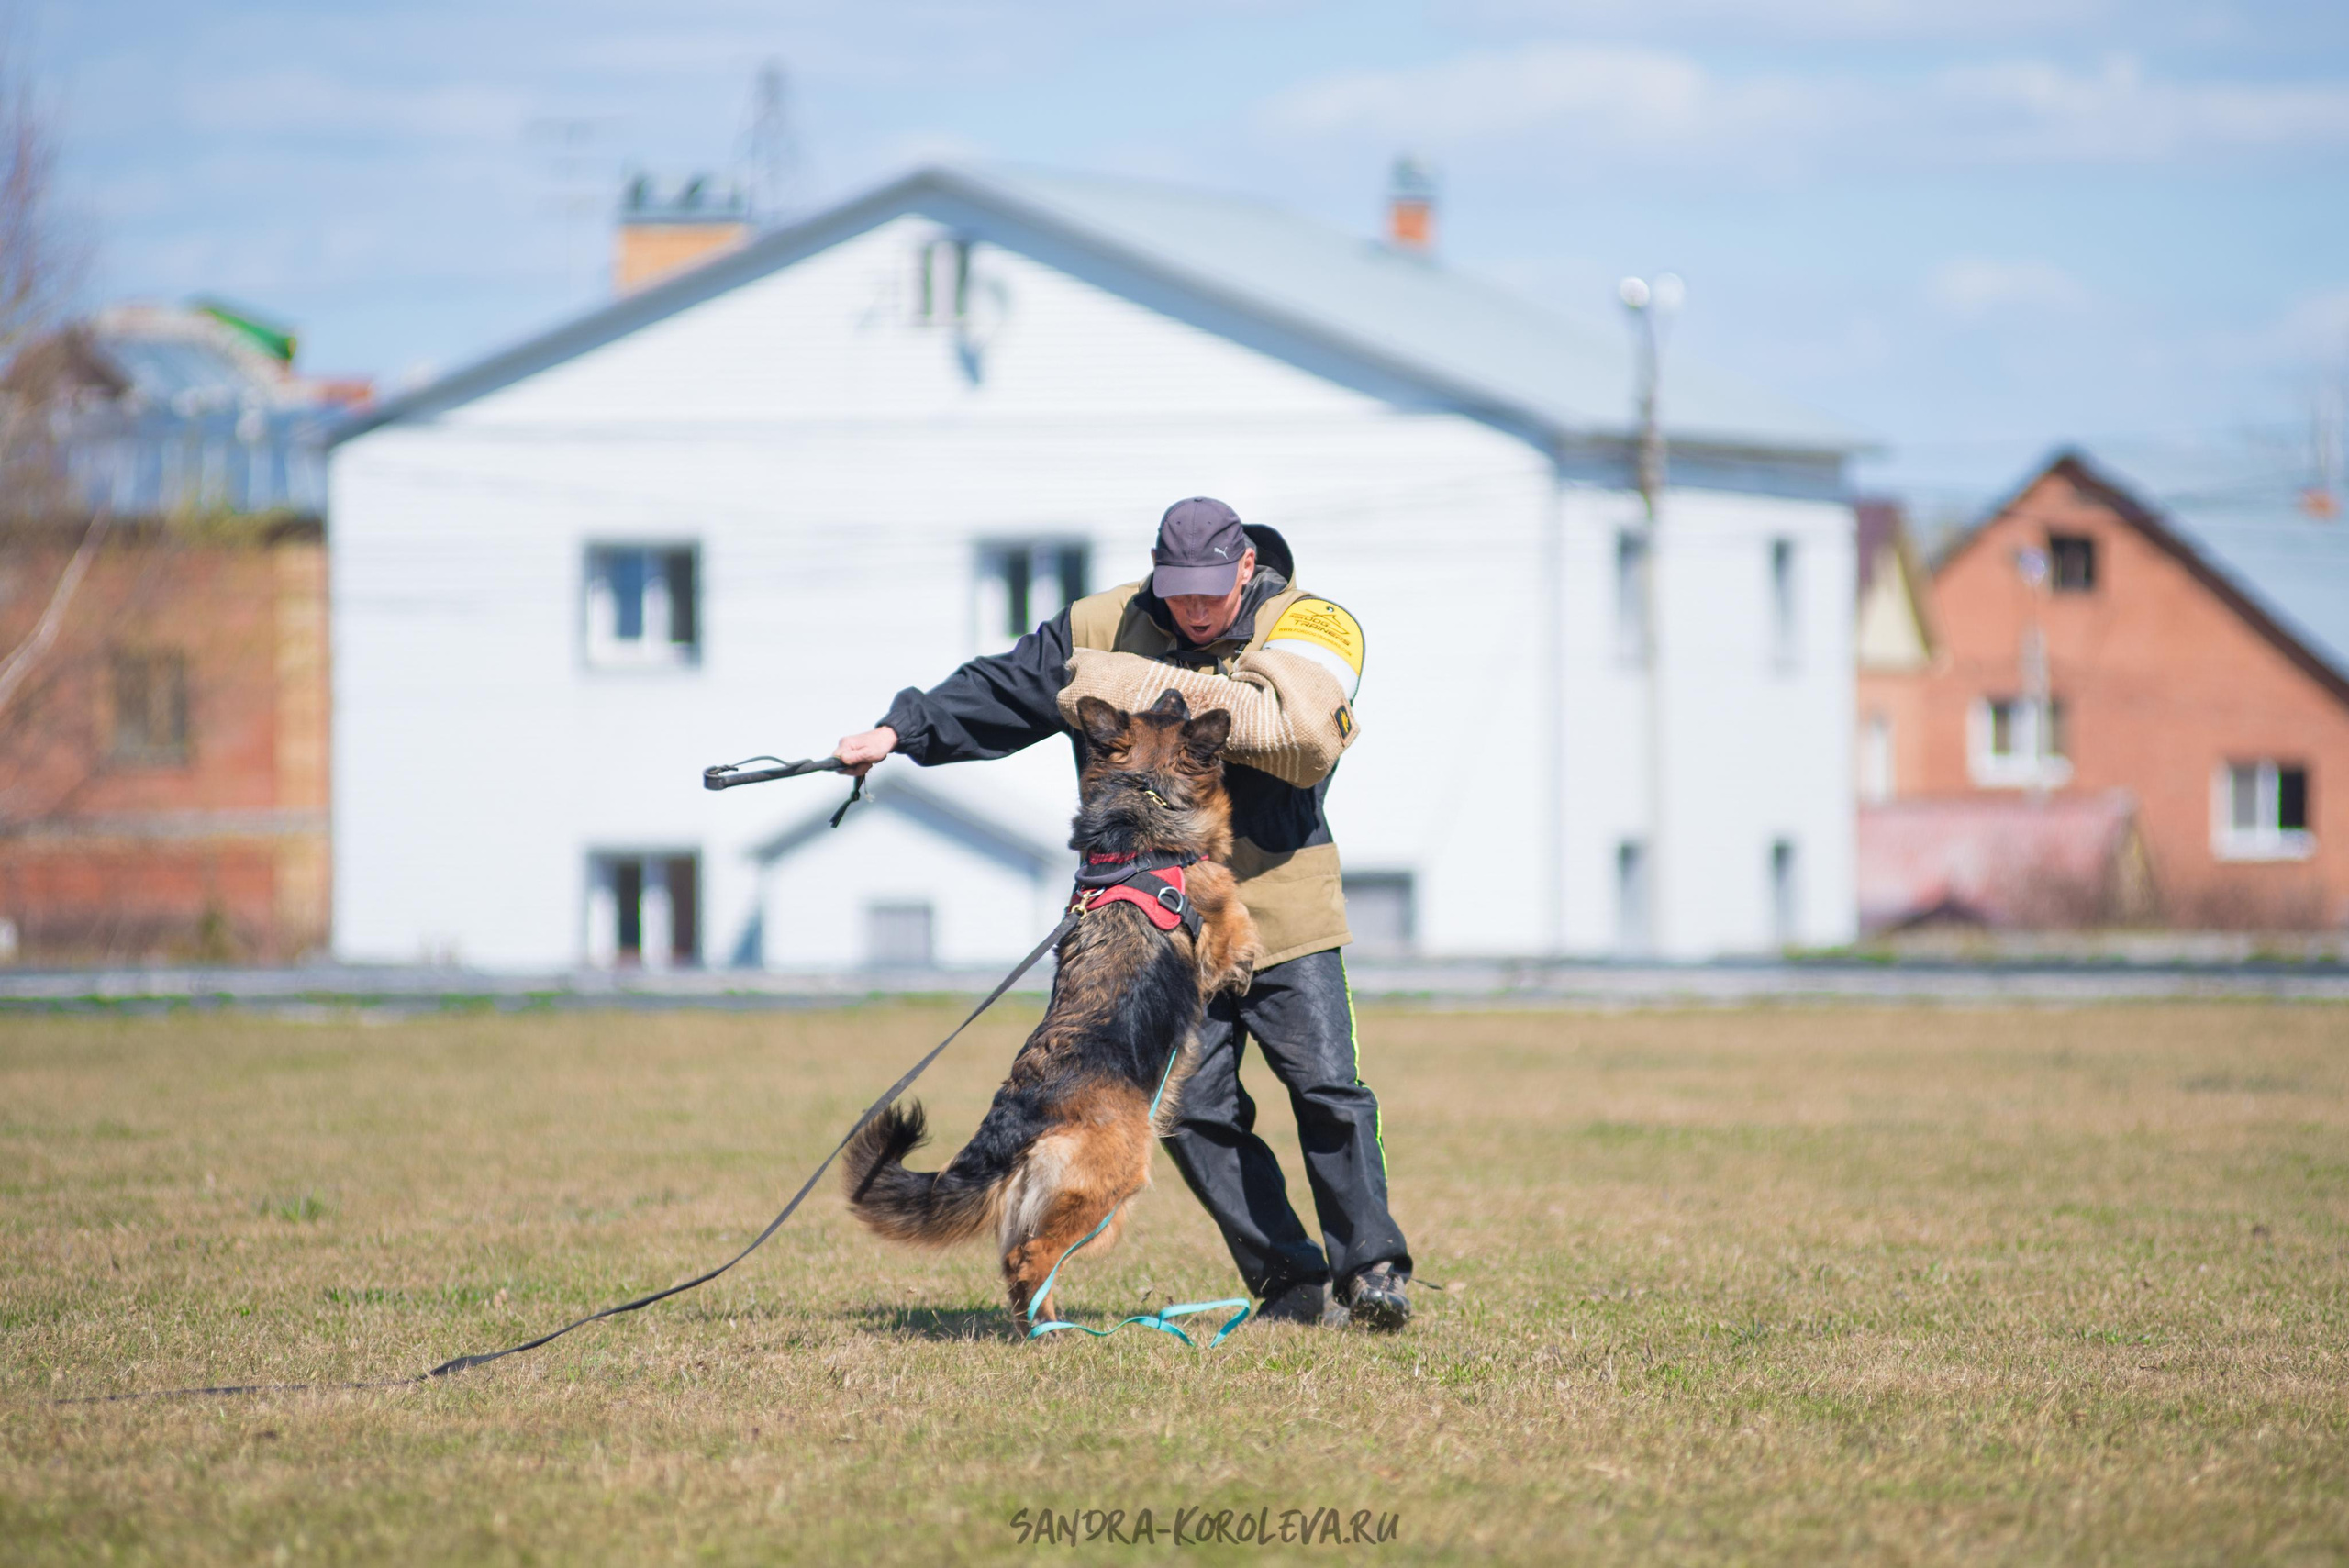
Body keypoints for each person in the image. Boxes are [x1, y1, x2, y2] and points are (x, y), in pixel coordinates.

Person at [833, 497, 1412, 1330]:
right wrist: (901, 729)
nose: (1194, 609)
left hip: (1280, 901)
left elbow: (1298, 730)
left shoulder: (1313, 621)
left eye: (1212, 592)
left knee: (1328, 1089)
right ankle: (1289, 1282)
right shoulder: (1101, 620)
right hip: (1149, 930)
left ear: (1246, 567)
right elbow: (1006, 686)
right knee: (1199, 1116)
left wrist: (1124, 683)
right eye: (1178, 592)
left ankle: (1374, 1272)